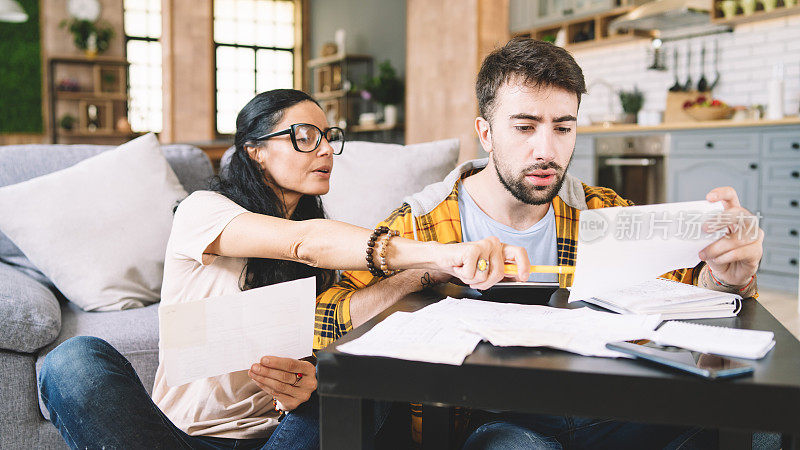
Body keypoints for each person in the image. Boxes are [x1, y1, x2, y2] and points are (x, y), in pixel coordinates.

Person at [314, 39, 764, 448]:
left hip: (613, 408)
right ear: (486, 133)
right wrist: (424, 273)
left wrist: (728, 278)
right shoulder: (422, 225)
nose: (546, 151)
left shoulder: (600, 211)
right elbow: (325, 320)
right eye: (525, 127)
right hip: (502, 424)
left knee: (761, 424)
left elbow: (691, 295)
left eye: (563, 128)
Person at [38, 89, 531, 449]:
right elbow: (301, 243)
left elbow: (346, 314)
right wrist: (438, 252)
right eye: (304, 136)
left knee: (372, 377)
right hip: (182, 439)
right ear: (255, 149)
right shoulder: (204, 212)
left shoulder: (329, 240)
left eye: (327, 137)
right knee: (72, 361)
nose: (323, 149)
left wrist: (421, 278)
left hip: (278, 439)